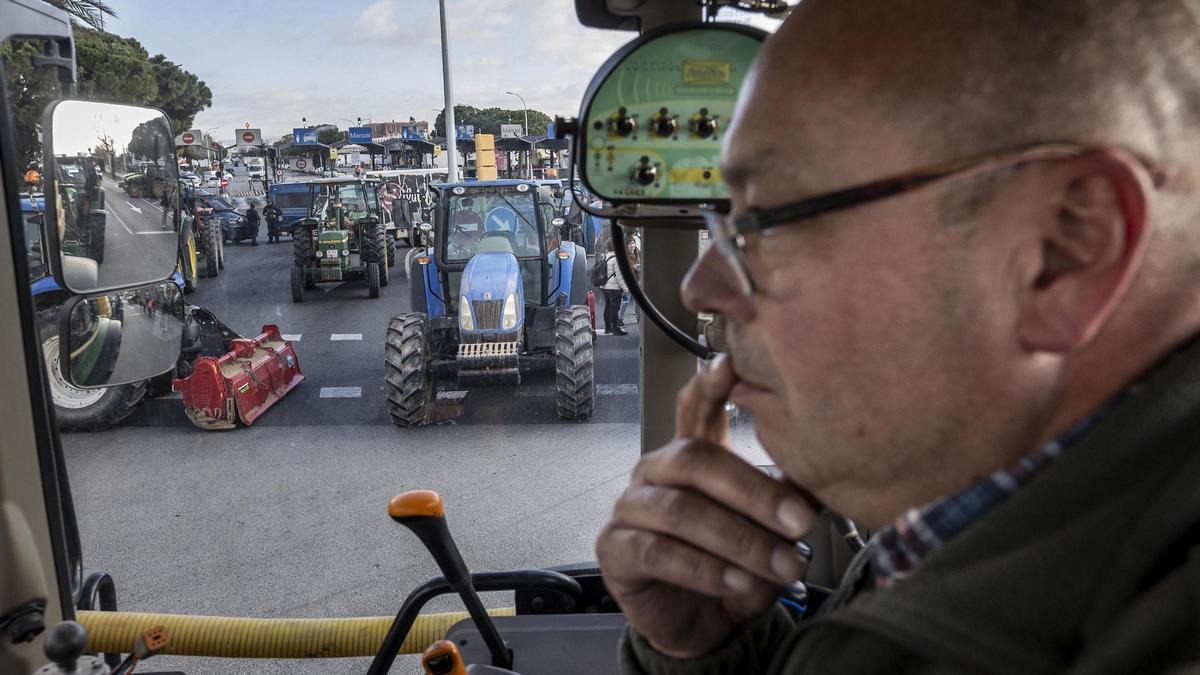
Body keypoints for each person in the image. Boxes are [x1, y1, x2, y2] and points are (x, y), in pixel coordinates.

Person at [596, 2, 1200, 673]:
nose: (701, 288)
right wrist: (708, 651)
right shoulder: (960, 533)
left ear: (1064, 249)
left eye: (765, 220)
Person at [601, 240, 628, 336]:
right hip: (614, 287)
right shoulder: (616, 259)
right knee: (615, 308)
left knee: (608, 306)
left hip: (604, 286)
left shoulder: (606, 256)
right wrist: (625, 288)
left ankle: (608, 328)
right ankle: (616, 329)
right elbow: (619, 276)